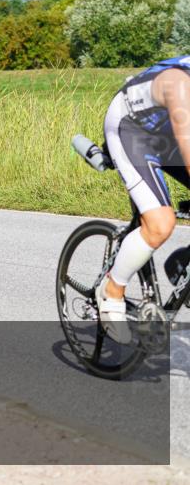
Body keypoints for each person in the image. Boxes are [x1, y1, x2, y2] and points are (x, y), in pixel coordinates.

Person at [100, 56, 190, 343]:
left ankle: (181, 262)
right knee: (160, 223)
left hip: (168, 134)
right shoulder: (180, 84)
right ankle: (111, 292)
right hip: (132, 130)